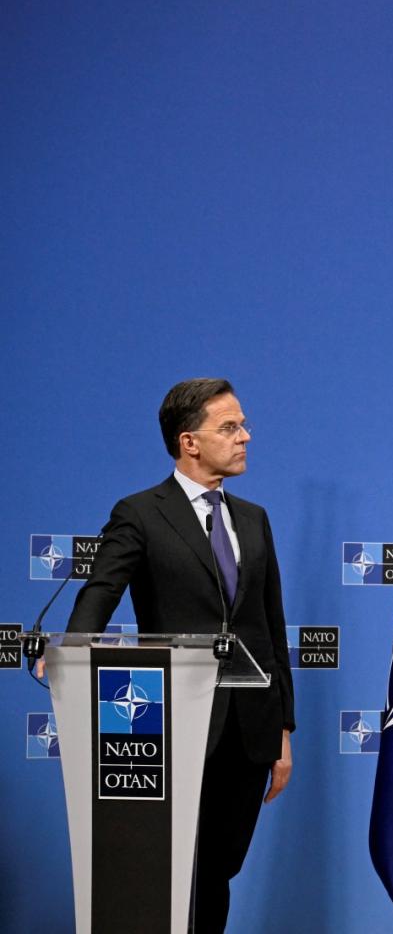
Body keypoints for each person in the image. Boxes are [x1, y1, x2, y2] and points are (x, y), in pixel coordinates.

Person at [63, 378, 295, 933]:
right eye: (229, 427)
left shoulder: (254, 518)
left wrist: (283, 729)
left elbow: (271, 628)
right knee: (171, 868)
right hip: (171, 724)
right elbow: (102, 589)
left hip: (248, 729)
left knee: (219, 871)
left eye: (243, 425)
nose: (245, 436)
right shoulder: (141, 513)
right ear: (189, 442)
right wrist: (72, 651)